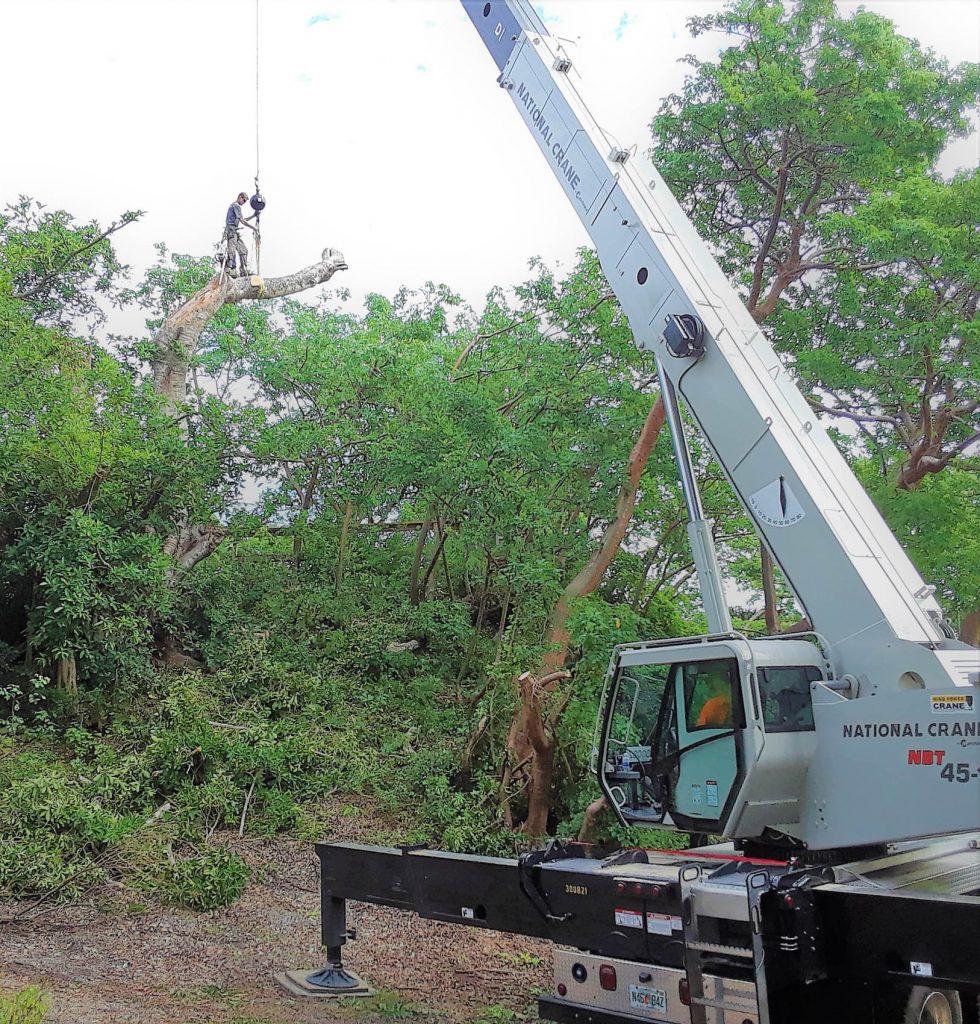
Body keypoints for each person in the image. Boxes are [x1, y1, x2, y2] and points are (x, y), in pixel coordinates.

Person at [223, 192, 257, 277]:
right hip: (231, 231)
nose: (244, 203)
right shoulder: (235, 205)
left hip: (235, 232)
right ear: (240, 197)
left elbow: (242, 219)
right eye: (244, 200)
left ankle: (243, 270)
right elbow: (242, 221)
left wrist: (254, 215)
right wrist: (254, 228)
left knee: (243, 250)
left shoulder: (236, 207)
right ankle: (230, 270)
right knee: (232, 251)